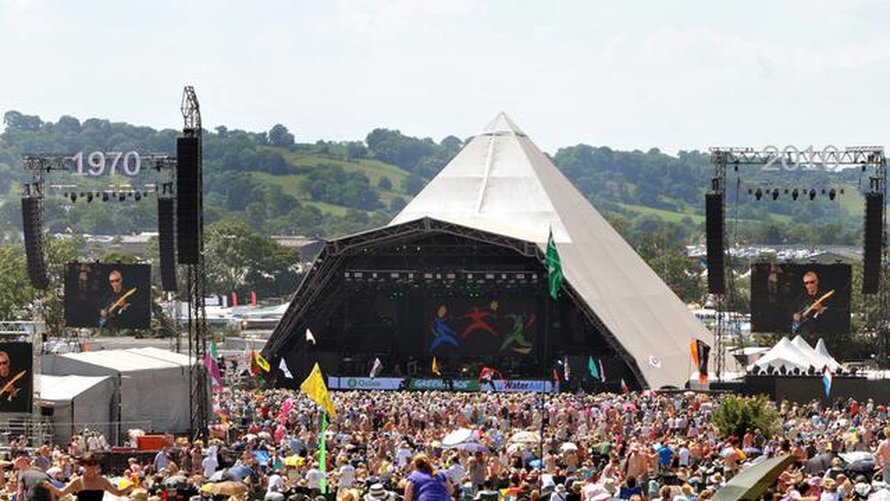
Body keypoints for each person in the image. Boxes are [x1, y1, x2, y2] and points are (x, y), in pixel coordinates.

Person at [49, 453, 134, 501]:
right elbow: (61, 493)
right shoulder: (78, 481)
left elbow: (118, 493)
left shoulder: (103, 481)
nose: (92, 467)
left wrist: (130, 486)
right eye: (89, 464)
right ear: (84, 465)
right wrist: (49, 486)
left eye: (95, 464)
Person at [792, 271, 833, 335]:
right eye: (806, 283)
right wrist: (794, 315)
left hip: (817, 329)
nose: (809, 285)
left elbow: (832, 314)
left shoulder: (824, 296)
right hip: (801, 329)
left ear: (817, 282)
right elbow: (792, 309)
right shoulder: (801, 296)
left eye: (812, 282)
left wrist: (821, 310)